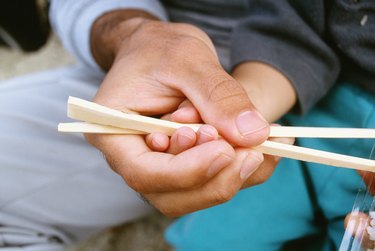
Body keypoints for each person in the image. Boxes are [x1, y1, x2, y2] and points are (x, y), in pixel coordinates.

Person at [0, 1, 373, 251]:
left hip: (307, 94)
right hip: (280, 89)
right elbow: (294, 34)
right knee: (211, 239)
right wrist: (240, 107)